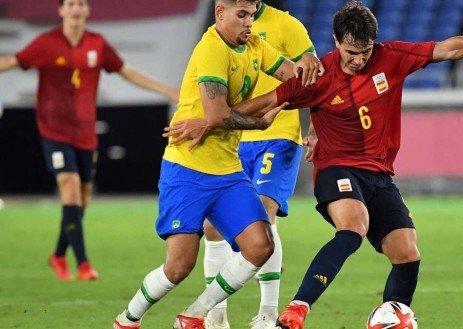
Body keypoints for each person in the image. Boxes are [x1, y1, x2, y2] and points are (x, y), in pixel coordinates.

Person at [165, 2, 463, 328]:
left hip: (379, 175)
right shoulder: (319, 75)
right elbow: (263, 103)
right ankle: (296, 310)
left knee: (407, 254)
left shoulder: (391, 57)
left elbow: (449, 49)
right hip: (336, 169)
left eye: (364, 52)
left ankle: (390, 318)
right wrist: (208, 120)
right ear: (335, 42)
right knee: (353, 228)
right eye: (350, 53)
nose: (358, 60)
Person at [112, 0, 322, 328]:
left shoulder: (255, 44)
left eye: (252, 15)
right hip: (188, 170)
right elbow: (219, 114)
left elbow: (292, 79)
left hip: (227, 171)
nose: (249, 23)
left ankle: (197, 314)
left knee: (260, 244)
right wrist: (258, 120)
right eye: (241, 15)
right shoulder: (211, 48)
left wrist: (313, 72)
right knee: (179, 267)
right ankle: (128, 318)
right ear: (219, 13)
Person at [0, 0, 179, 282]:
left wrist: (166, 90)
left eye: (81, 3)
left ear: (86, 10)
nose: (76, 8)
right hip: (54, 132)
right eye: (70, 3)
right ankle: (83, 264)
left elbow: (125, 70)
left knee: (81, 199)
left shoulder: (97, 43)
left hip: (84, 134)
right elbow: (11, 61)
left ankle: (58, 255)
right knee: (70, 189)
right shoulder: (46, 43)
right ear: (61, 11)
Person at [196, 1, 322, 329]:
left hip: (278, 135)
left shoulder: (287, 26)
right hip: (236, 135)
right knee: (212, 225)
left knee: (262, 216)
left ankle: (267, 313)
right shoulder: (222, 35)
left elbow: (314, 74)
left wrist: (315, 126)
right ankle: (216, 314)